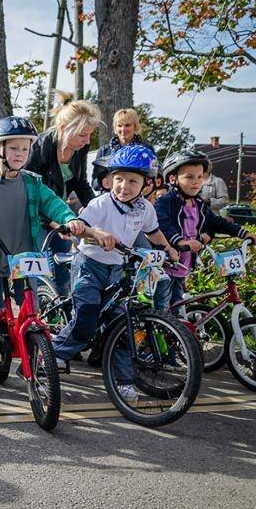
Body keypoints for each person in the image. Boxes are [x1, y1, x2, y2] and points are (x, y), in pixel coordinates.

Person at [0, 117, 93, 397]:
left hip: (25, 258)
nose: (20, 155)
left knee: (32, 310)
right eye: (14, 149)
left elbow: (54, 203)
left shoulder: (33, 182)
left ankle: (34, 357)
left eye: (25, 150)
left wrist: (70, 219)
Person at [51, 145, 180, 400]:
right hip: (90, 265)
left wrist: (168, 248)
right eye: (119, 179)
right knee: (87, 311)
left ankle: (123, 381)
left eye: (133, 181)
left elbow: (153, 232)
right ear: (109, 180)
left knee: (125, 323)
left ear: (146, 184)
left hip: (119, 270)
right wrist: (96, 235)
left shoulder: (145, 208)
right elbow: (82, 227)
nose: (124, 186)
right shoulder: (101, 204)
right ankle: (55, 352)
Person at [154, 150, 256, 312]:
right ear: (173, 179)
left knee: (177, 305)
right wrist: (180, 242)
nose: (196, 182)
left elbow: (217, 222)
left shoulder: (199, 205)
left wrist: (243, 233)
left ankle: (175, 336)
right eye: (189, 177)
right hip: (166, 265)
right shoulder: (166, 202)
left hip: (184, 265)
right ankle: (158, 334)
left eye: (199, 177)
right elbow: (162, 224)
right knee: (162, 307)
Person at [23, 93, 99, 294]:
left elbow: (81, 184)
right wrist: (53, 223)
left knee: (62, 270)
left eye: (90, 134)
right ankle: (34, 313)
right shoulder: (39, 147)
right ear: (64, 129)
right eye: (83, 134)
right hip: (33, 216)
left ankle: (59, 316)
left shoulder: (80, 148)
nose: (87, 140)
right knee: (37, 269)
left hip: (60, 213)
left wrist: (99, 210)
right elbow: (30, 191)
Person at [90, 108, 151, 192]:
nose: (123, 129)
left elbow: (153, 177)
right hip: (109, 199)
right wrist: (107, 182)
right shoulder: (104, 151)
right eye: (120, 125)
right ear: (115, 128)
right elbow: (95, 183)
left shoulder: (146, 150)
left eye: (127, 125)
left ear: (135, 126)